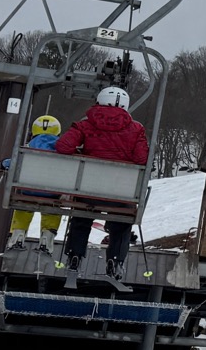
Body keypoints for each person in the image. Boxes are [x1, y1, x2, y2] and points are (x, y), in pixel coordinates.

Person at [55, 87, 149, 280]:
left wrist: (81, 154)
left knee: (81, 217)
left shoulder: (85, 124)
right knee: (122, 222)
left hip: (89, 188)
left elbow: (63, 146)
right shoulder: (136, 128)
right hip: (121, 192)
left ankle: (75, 257)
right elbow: (142, 159)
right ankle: (115, 261)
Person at [6, 115, 62, 249]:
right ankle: (47, 238)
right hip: (52, 192)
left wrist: (3, 163)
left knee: (24, 204)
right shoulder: (61, 147)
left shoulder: (28, 146)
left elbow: (14, 161)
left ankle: (18, 234)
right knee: (53, 208)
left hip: (28, 190)